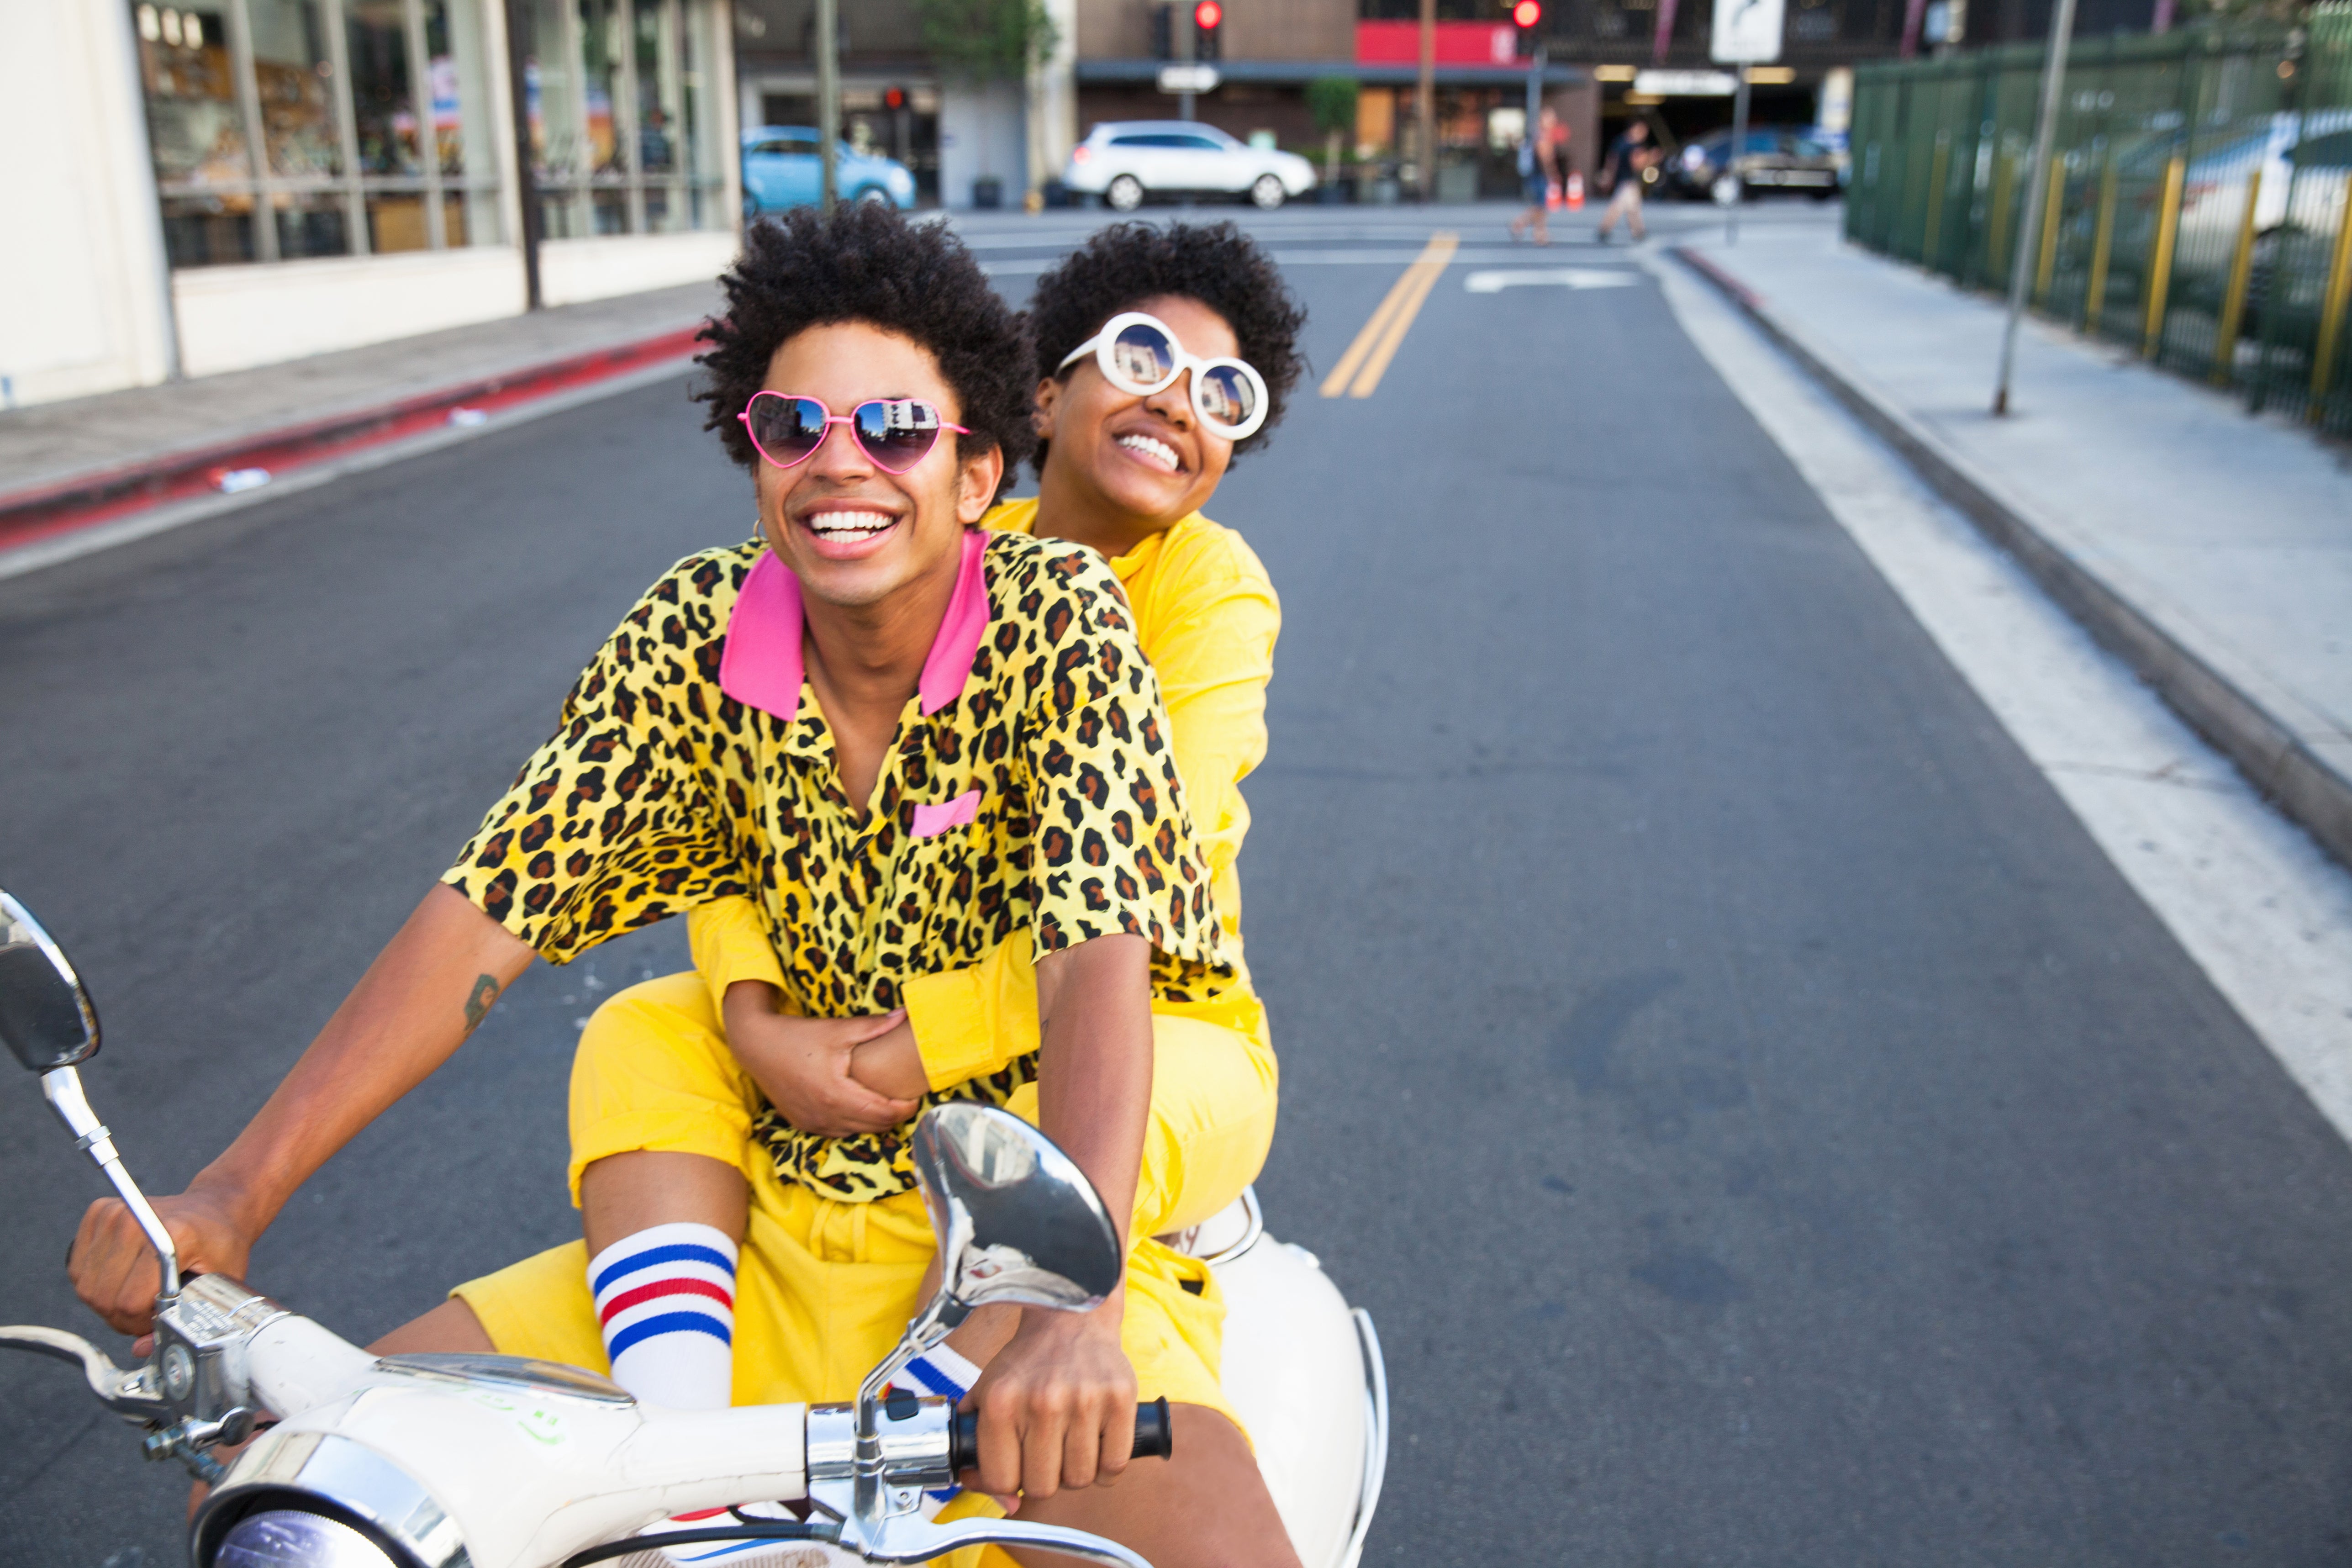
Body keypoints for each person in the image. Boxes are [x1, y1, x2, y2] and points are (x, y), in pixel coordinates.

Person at [68, 204, 1299, 1568]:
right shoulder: (691, 635)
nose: (843, 462)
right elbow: (495, 904)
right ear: (753, 457)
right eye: (795, 427)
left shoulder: (1067, 614)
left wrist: (1073, 1303)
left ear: (972, 475)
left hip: (1009, 1205)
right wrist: (235, 1191)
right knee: (297, 1495)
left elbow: (1098, 954)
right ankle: (679, 1453)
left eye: (896, 429)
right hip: (770, 1199)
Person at [1594, 117, 1659, 243]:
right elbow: (1638, 165)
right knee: (1619, 206)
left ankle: (1638, 231)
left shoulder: (1620, 141)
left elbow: (1612, 160)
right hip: (1628, 180)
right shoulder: (1635, 147)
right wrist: (1652, 158)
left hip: (1622, 179)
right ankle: (1605, 229)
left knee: (1633, 207)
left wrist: (1609, 176)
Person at [1509, 106, 1565, 245]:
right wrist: (1552, 175)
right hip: (1539, 177)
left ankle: (1539, 235)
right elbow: (1546, 159)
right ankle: (1520, 223)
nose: (1553, 121)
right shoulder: (1543, 137)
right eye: (1550, 118)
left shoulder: (1539, 135)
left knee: (1541, 207)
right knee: (1541, 207)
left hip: (1536, 176)